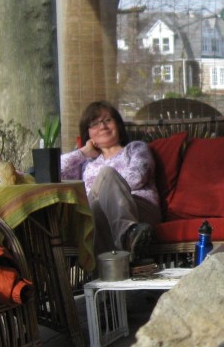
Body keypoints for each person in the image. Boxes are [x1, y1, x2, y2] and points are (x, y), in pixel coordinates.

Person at [60, 101, 159, 260]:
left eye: (107, 120)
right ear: (88, 133)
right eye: (95, 123)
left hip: (139, 207)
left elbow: (138, 176)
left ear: (118, 125)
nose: (103, 127)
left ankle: (129, 234)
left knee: (106, 175)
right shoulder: (86, 163)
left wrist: (108, 185)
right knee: (92, 210)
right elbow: (55, 172)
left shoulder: (135, 148)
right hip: (99, 216)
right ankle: (120, 257)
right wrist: (83, 152)